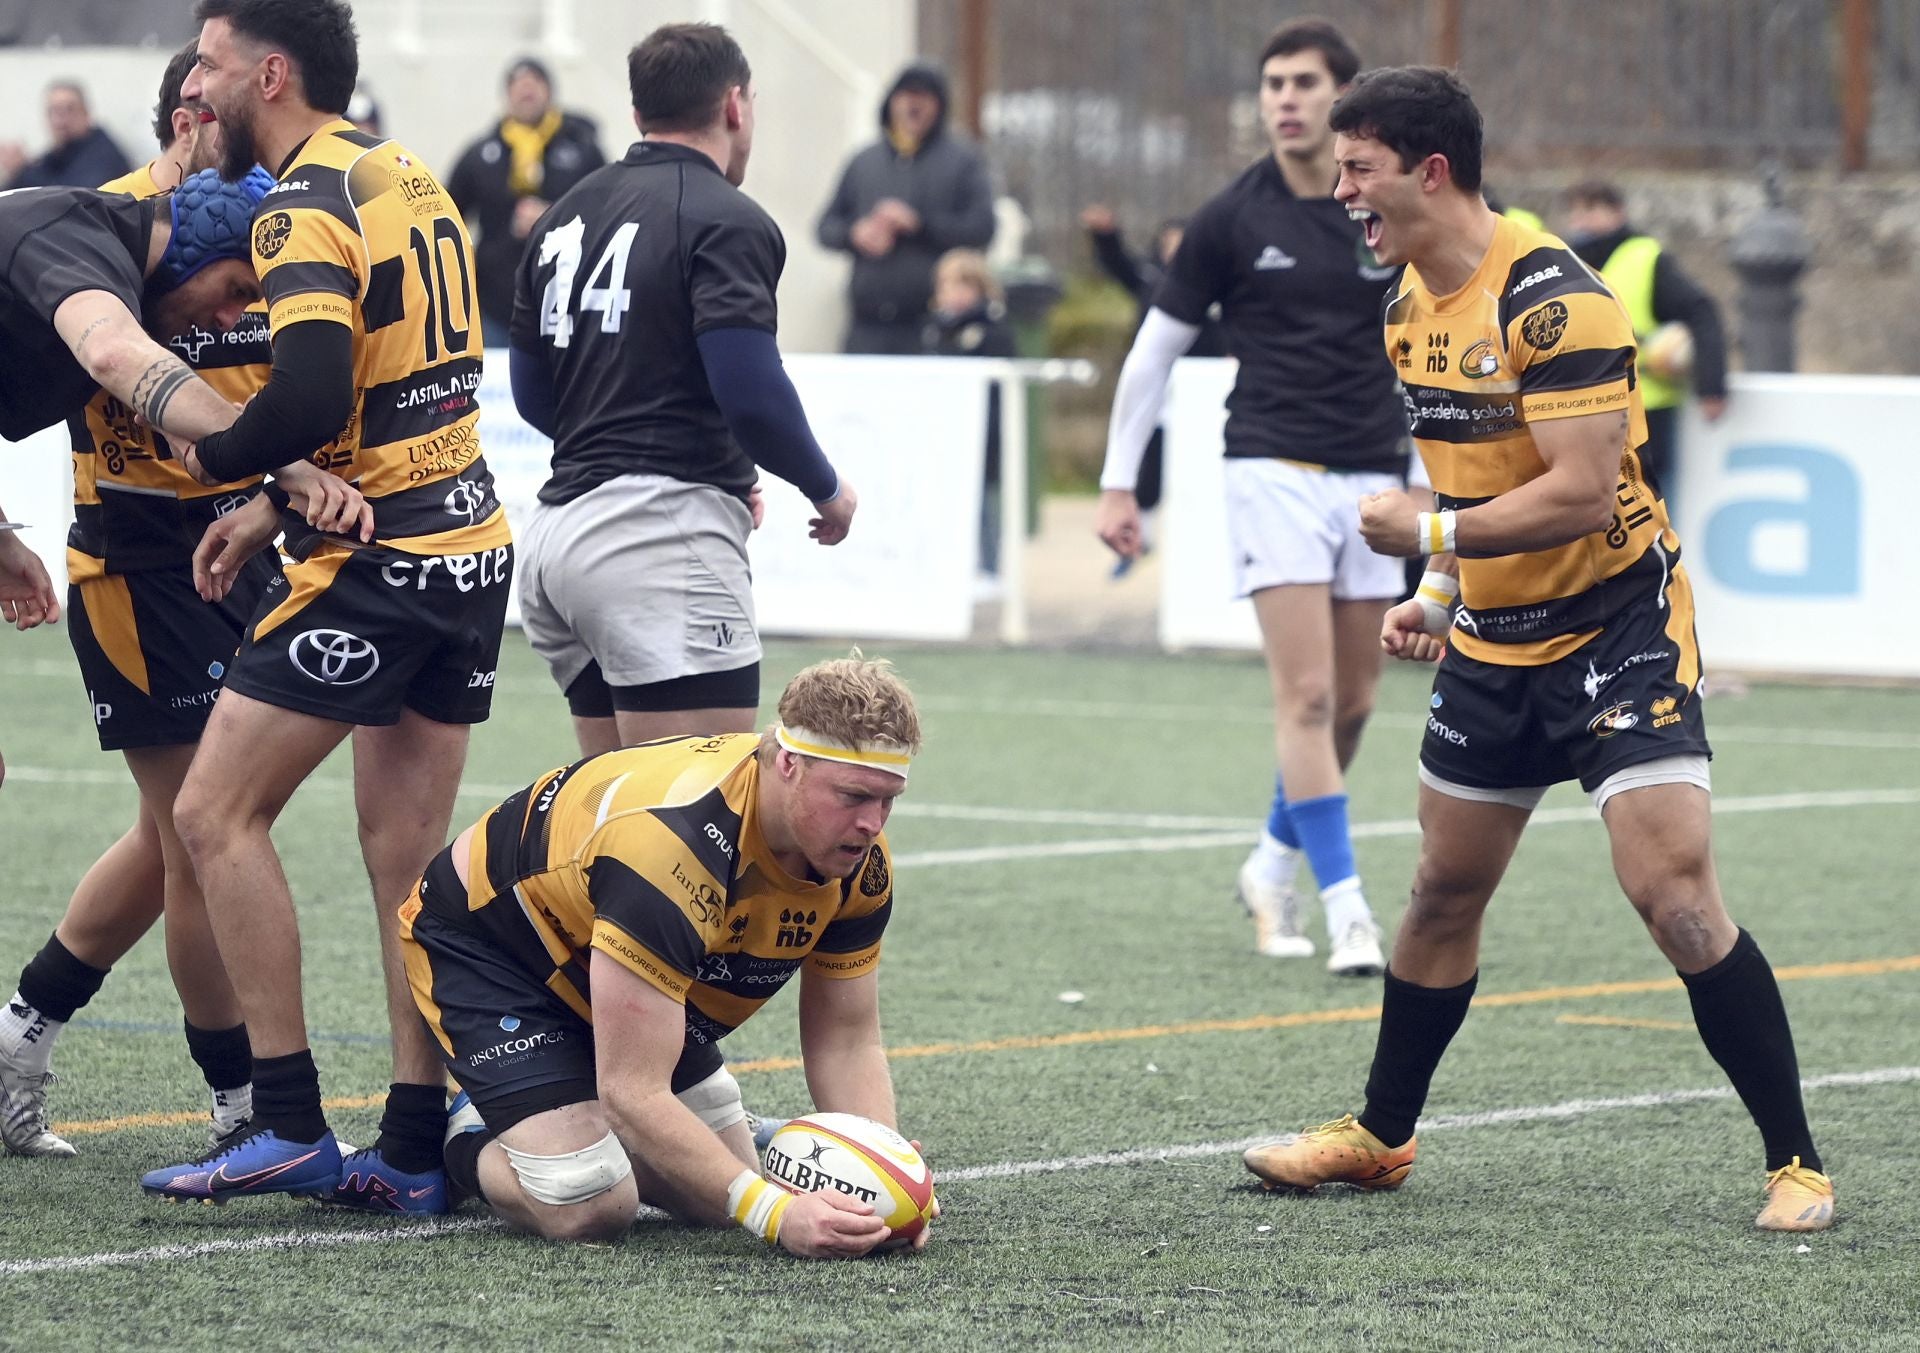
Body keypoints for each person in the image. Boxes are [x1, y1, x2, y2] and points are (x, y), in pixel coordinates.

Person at [1242, 66, 1835, 1234]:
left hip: (1619, 624)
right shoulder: (1408, 303)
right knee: (1441, 891)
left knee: (1671, 893)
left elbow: (1570, 497)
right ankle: (1381, 1136)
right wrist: (1439, 586)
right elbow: (1471, 466)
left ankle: (1798, 1163)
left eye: (1358, 170)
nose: (1343, 192)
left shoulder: (1557, 300)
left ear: (1431, 170)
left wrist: (1429, 532)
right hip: (1495, 638)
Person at [139, 0, 514, 1215]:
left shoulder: (301, 200)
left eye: (209, 62)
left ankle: (287, 1121)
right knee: (406, 861)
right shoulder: (401, 167)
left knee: (211, 812)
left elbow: (299, 398)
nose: (198, 86)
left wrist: (221, 470)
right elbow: (385, 385)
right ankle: (412, 1149)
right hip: (470, 544)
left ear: (272, 71)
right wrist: (281, 507)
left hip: (385, 557)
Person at [403, 655, 926, 1255]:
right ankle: (474, 1127)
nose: (870, 824)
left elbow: (847, 1042)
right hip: (494, 946)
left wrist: (890, 1186)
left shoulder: (863, 864)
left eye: (888, 800)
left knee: (720, 1199)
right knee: (590, 1201)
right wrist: (778, 1216)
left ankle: (561, 1109)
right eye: (854, 796)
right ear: (788, 763)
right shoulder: (671, 846)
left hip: (616, 960)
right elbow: (633, 1091)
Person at [0, 42, 279, 1161]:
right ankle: (242, 1104)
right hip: (142, 553)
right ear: (179, 119)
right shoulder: (104, 227)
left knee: (183, 830)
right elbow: (113, 355)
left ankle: (23, 1032)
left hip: (244, 544)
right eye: (203, 106)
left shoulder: (281, 214)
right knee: (205, 834)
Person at [1095, 18, 1407, 974]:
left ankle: (1270, 863)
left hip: (1376, 473)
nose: (1285, 98)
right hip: (1269, 465)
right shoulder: (1232, 217)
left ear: (1344, 100)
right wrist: (1117, 480)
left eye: (1305, 83)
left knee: (1355, 701)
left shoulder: (1386, 208)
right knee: (1306, 695)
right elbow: (1154, 351)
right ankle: (1348, 907)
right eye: (1273, 83)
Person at [510, 22, 856, 759]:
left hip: (557, 536)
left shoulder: (563, 215)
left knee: (616, 814)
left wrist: (695, 460)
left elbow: (538, 396)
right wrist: (827, 489)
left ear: (640, 114)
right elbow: (751, 392)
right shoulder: (728, 219)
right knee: (687, 817)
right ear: (735, 106)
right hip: (654, 539)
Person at [1080, 205, 1227, 575]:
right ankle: (1138, 537)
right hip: (1163, 393)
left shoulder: (1222, 283)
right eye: (1169, 244)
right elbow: (1119, 267)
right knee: (1149, 457)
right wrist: (1105, 236)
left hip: (1209, 394)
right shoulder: (1151, 283)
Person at [815, 62, 995, 355]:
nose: (914, 104)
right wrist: (855, 234)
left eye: (924, 97)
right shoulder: (863, 162)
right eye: (906, 95)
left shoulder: (963, 161)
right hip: (866, 328)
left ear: (939, 106)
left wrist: (919, 225)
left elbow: (982, 228)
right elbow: (825, 228)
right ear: (891, 103)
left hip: (932, 329)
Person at [1563, 179, 1729, 494]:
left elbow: (1701, 312)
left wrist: (1712, 387)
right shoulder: (1565, 259)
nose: (1582, 220)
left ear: (1618, 212)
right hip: (1585, 404)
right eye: (1576, 211)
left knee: (1649, 502)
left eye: (1592, 209)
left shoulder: (1645, 257)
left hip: (1646, 408)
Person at [449, 57, 605, 340]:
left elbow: (606, 211)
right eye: (519, 86)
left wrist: (553, 216)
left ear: (549, 92)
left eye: (534, 85)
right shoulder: (482, 153)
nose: (526, 92)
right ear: (506, 96)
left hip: (567, 300)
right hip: (497, 302)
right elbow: (448, 218)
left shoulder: (581, 147)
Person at [921, 248, 1015, 577]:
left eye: (962, 286)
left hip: (983, 432)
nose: (953, 294)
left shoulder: (993, 330)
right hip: (943, 431)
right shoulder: (934, 330)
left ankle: (989, 568)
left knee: (983, 503)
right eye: (946, 286)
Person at [0, 81, 131, 190]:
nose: (60, 121)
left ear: (86, 114)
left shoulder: (104, 155)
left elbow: (72, 200)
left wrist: (22, 170)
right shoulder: (60, 152)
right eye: (54, 111)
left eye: (69, 110)